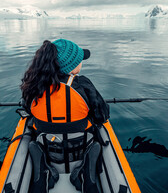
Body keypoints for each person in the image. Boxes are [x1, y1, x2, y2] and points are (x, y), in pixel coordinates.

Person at [20, 39, 109, 192]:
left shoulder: (34, 87)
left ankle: (44, 171)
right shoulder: (83, 85)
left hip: (47, 144)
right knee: (93, 136)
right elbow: (102, 115)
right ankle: (85, 173)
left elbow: (28, 111)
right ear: (70, 65)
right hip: (80, 145)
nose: (82, 62)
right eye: (80, 60)